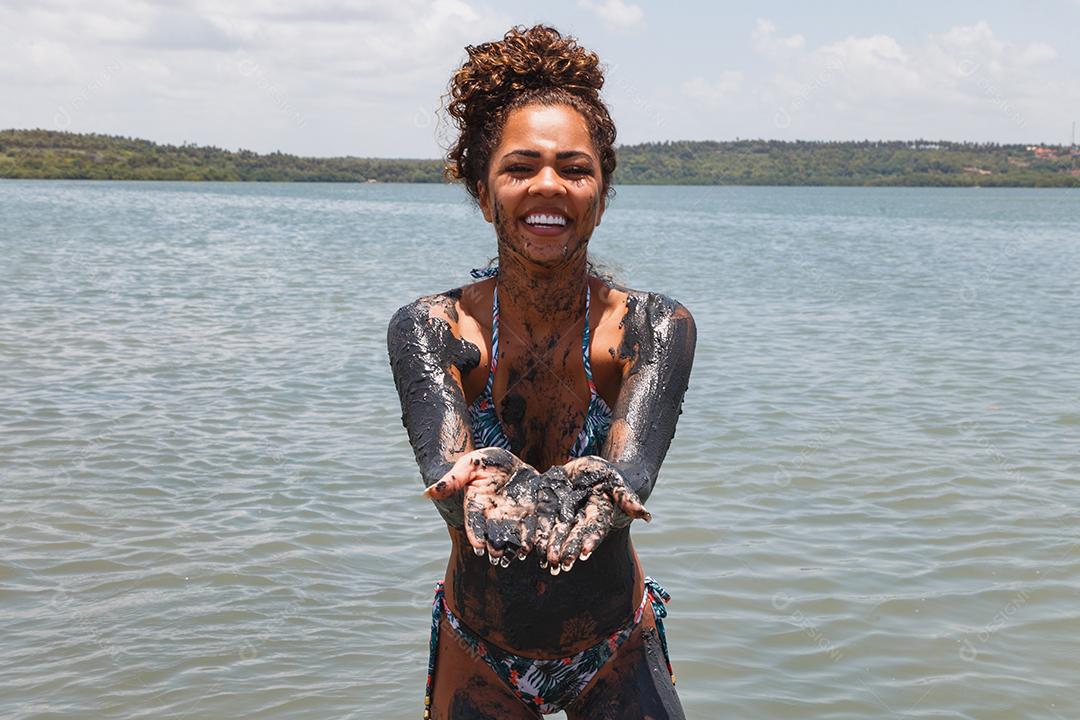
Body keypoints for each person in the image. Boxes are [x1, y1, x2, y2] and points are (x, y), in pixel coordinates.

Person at [387, 24, 696, 720]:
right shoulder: (432, 329)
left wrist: (602, 485)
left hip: (614, 642)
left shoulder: (652, 328)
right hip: (481, 648)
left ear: (602, 189)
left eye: (575, 168)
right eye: (520, 167)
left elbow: (631, 473)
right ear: (480, 186)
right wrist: (479, 478)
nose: (547, 186)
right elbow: (447, 481)